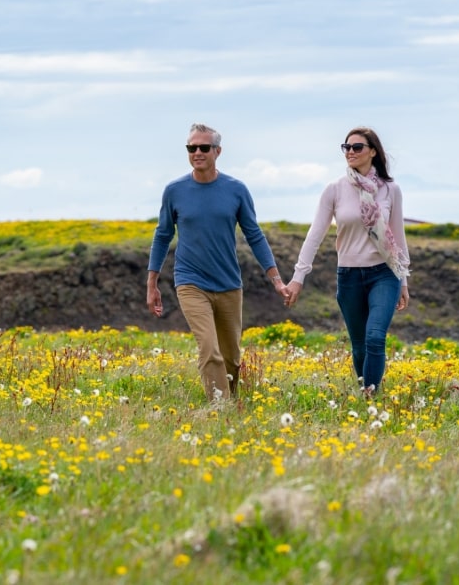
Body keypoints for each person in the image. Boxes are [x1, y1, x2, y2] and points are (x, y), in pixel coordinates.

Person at [146, 123, 289, 401]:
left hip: (228, 284)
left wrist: (276, 279)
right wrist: (152, 283)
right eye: (191, 147)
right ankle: (220, 409)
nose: (197, 152)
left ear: (217, 151)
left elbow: (254, 235)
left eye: (204, 147)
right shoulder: (174, 191)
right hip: (190, 282)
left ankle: (232, 401)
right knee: (209, 349)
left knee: (231, 357)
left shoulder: (236, 190)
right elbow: (162, 236)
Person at [284, 127, 410, 397]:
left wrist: (403, 280)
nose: (350, 152)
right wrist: (298, 277)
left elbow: (398, 237)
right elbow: (314, 235)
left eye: (357, 147)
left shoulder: (391, 190)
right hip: (350, 276)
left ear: (373, 151)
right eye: (347, 147)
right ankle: (365, 387)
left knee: (375, 337)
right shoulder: (335, 190)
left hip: (384, 274)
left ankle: (370, 397)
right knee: (359, 346)